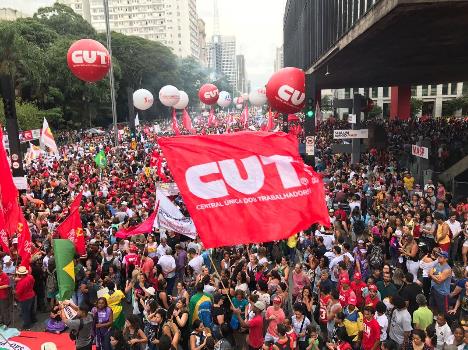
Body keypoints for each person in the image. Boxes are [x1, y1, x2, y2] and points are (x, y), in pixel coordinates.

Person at [15, 265, 36, 330]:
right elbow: (33, 281)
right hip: (32, 295)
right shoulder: (30, 276)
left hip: (25, 298)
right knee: (31, 309)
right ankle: (33, 319)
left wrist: (14, 292)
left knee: (25, 312)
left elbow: (18, 292)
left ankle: (27, 326)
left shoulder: (21, 282)